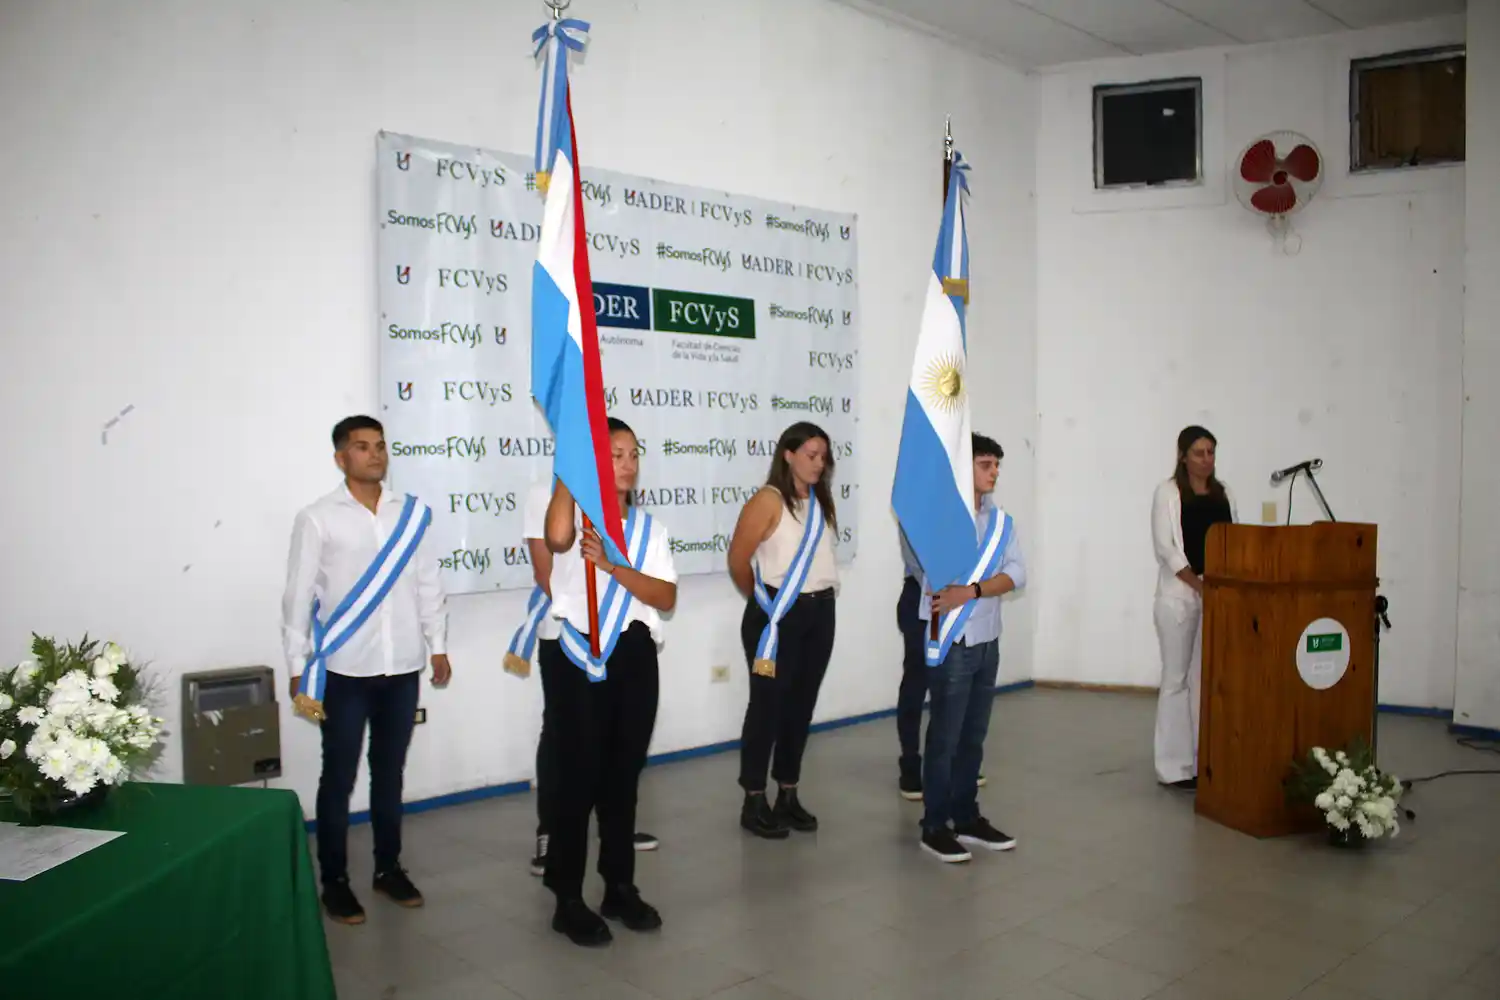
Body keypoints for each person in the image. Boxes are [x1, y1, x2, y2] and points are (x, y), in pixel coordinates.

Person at [281, 415, 452, 924]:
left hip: (401, 667)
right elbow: (298, 596)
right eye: (361, 447)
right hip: (343, 672)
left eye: (379, 446)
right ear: (341, 458)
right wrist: (296, 666)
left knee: (389, 773)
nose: (374, 455)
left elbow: (427, 582)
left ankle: (388, 869)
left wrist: (437, 644)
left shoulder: (410, 514)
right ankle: (333, 881)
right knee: (338, 777)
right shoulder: (317, 518)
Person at [540, 418, 677, 946]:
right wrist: (568, 474)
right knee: (577, 778)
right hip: (575, 653)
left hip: (634, 653)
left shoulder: (649, 530)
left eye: (633, 454)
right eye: (614, 453)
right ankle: (567, 897)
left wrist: (615, 566)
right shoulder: (573, 517)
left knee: (623, 775)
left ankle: (619, 885)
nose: (627, 463)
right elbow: (555, 539)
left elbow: (664, 597)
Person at [519, 478, 660, 877]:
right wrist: (589, 619)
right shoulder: (545, 494)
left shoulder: (621, 501)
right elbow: (546, 572)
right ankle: (552, 832)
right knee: (567, 739)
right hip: (567, 638)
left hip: (619, 638)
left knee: (618, 739)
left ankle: (614, 830)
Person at [915, 433, 1023, 863]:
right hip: (953, 640)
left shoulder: (1001, 523)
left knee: (974, 736)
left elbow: (1017, 573)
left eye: (997, 464)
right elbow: (933, 574)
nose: (993, 471)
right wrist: (968, 591)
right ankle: (934, 824)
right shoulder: (941, 518)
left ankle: (966, 815)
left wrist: (974, 590)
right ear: (965, 468)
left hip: (987, 638)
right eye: (984, 464)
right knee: (944, 736)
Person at [728, 421, 839, 839]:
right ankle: (753, 797)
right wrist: (763, 604)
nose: (817, 463)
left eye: (823, 456)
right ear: (788, 454)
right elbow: (738, 560)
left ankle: (787, 793)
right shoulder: (768, 500)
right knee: (767, 707)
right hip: (777, 616)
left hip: (820, 612)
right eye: (810, 454)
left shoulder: (820, 501)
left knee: (801, 705)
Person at [1151, 425, 1236, 791]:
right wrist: (1198, 584)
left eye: (1211, 452)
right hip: (1179, 597)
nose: (1206, 459)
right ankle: (1172, 767)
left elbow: (1235, 539)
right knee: (1176, 680)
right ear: (1183, 455)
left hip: (1216, 596)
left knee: (1204, 680)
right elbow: (1165, 548)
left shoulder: (1224, 493)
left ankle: (1203, 762)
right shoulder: (1168, 493)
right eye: (1199, 452)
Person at [896, 532, 986, 802]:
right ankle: (910, 765)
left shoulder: (959, 499)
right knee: (916, 681)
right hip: (922, 592)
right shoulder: (914, 498)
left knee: (953, 684)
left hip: (956, 595)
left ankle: (953, 762)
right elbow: (915, 555)